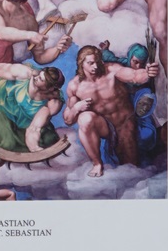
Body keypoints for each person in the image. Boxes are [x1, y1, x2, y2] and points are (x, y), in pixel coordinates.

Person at [64, 45, 159, 177]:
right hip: (105, 127)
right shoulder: (75, 86)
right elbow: (68, 120)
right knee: (84, 119)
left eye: (97, 62)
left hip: (125, 122)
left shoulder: (111, 70)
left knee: (131, 168)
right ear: (81, 64)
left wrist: (147, 73)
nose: (95, 66)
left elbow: (134, 75)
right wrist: (76, 108)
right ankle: (97, 164)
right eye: (90, 63)